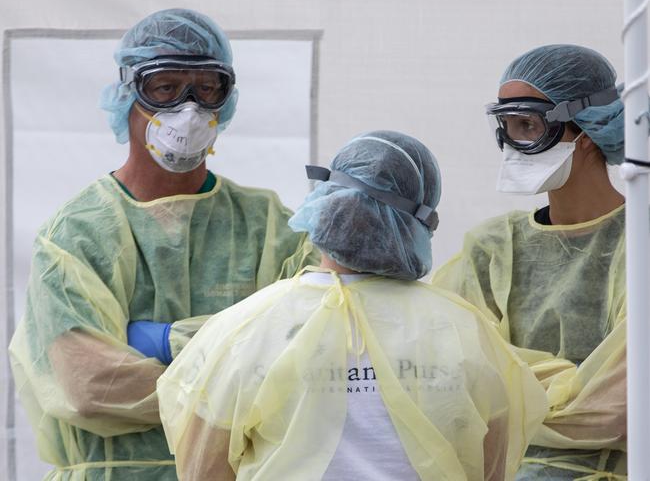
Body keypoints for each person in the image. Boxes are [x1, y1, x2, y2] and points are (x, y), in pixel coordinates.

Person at [9, 8, 317, 480]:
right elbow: (89, 386)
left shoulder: (270, 226)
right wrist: (231, 351)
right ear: (128, 91)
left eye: (206, 88)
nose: (188, 110)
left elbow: (304, 356)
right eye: (165, 88)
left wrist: (159, 341)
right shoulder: (76, 233)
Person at [157, 130, 547, 481]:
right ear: (419, 220)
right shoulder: (462, 329)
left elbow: (203, 468)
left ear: (326, 201)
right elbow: (493, 465)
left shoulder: (246, 328)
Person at [432, 44, 628, 479]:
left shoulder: (641, 244)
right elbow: (447, 378)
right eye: (506, 126)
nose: (514, 143)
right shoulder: (493, 247)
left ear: (592, 127)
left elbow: (617, 408)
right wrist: (568, 386)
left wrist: (512, 389)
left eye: (529, 125)